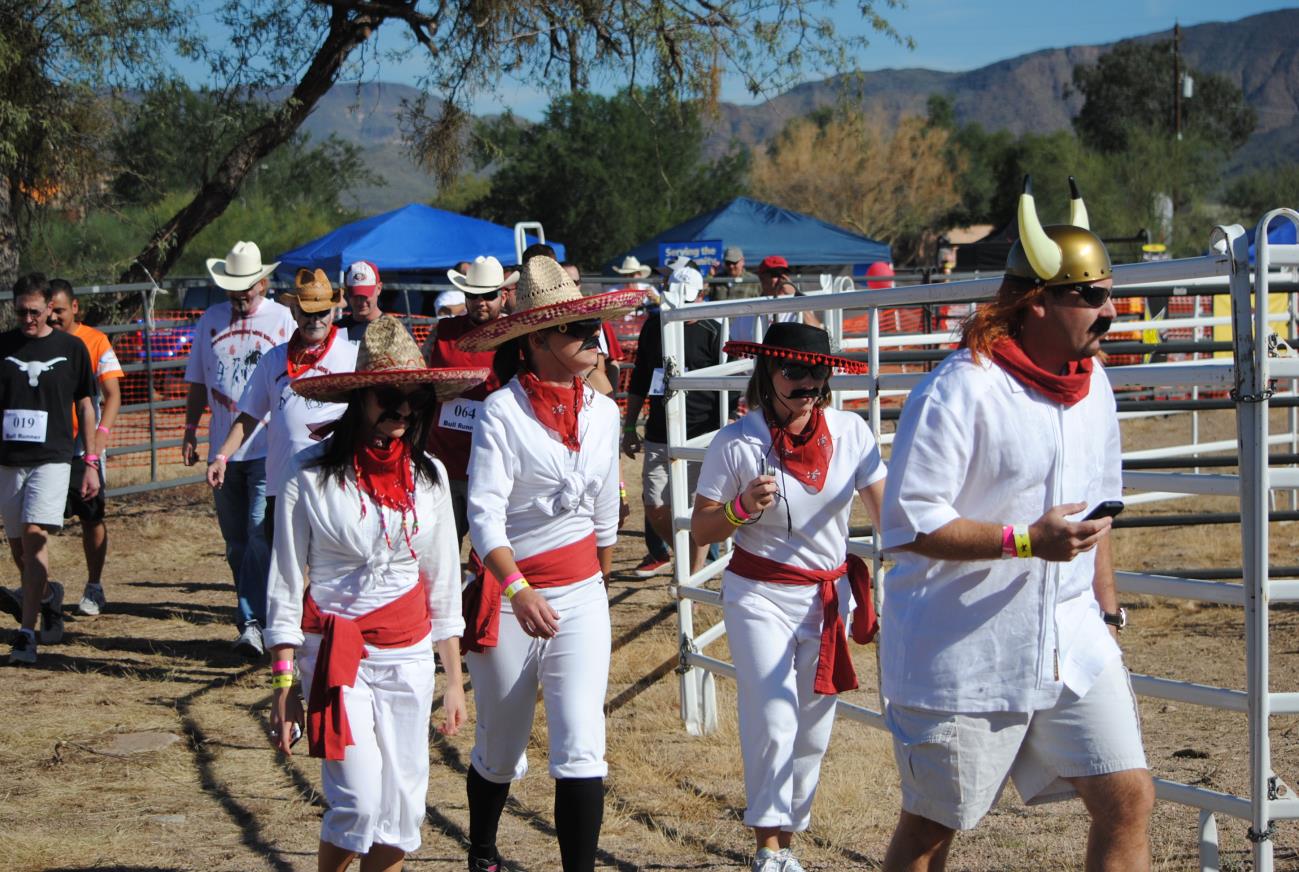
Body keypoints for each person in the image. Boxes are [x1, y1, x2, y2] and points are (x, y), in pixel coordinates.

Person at [878, 178, 1152, 871]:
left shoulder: (1094, 387)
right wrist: (1025, 540)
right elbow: (910, 523)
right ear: (1035, 303)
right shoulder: (960, 388)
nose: (1109, 312)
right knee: (933, 825)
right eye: (1088, 296)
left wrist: (1106, 609)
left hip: (1072, 637)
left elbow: (1101, 509)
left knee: (1127, 797)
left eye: (1108, 293)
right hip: (964, 643)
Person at [263, 316, 483, 872]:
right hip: (339, 658)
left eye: (416, 399)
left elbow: (441, 582)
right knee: (358, 804)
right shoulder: (307, 474)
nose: (404, 412)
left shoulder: (429, 474)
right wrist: (284, 682)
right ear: (360, 397)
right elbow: (286, 581)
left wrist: (454, 680)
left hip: (409, 658)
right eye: (391, 396)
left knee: (402, 812)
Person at [455, 256, 641, 872]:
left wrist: (596, 584)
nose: (593, 338)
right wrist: (517, 590)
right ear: (536, 340)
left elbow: (607, 512)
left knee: (582, 743)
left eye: (594, 326)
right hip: (513, 598)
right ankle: (482, 851)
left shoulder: (605, 414)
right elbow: (483, 519)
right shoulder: (501, 413)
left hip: (582, 595)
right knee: (502, 746)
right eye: (577, 329)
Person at [691, 322, 885, 872]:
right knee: (773, 716)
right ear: (767, 373)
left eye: (815, 371)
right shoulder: (737, 442)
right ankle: (767, 846)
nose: (806, 382)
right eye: (792, 370)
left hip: (828, 597)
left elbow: (889, 513)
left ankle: (789, 837)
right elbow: (703, 532)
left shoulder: (853, 433)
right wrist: (739, 509)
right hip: (759, 594)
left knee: (815, 726)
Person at [182, 241, 296, 658]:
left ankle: (254, 620)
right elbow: (197, 379)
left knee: (259, 534)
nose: (242, 294)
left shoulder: (283, 319)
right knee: (235, 542)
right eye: (234, 287)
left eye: (248, 286)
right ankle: (256, 612)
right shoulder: (210, 321)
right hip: (224, 449)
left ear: (263, 282)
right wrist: (192, 428)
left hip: (269, 448)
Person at [206, 268, 358, 550]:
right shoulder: (274, 360)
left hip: (332, 482)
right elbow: (249, 415)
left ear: (333, 313)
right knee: (286, 563)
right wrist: (221, 457)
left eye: (322, 312)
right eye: (307, 312)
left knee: (328, 564)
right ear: (294, 314)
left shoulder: (351, 356)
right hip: (282, 482)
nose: (315, 320)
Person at [0, 273, 98, 664]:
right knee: (19, 549)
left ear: (49, 309)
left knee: (35, 534)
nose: (28, 319)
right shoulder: (3, 346)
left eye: (36, 312)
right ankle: (47, 596)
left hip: (53, 458)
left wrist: (90, 462)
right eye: (21, 312)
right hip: (9, 460)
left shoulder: (71, 349)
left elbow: (87, 406)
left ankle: (26, 635)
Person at [622, 265, 720, 577]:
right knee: (654, 503)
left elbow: (727, 385)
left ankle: (691, 579)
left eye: (687, 302)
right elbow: (639, 377)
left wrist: (725, 425)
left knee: (700, 505)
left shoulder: (714, 331)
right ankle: (689, 559)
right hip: (659, 431)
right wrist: (629, 425)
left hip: (702, 433)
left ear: (701, 297)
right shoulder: (654, 327)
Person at [424, 255, 517, 547]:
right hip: (443, 461)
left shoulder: (516, 337)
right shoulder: (443, 332)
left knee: (491, 553)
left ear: (502, 295)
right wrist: (436, 391)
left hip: (493, 462)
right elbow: (418, 380)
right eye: (473, 295)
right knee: (441, 550)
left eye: (488, 295)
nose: (481, 302)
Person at [48, 279, 123, 617]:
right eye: (48, 311)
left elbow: (112, 395)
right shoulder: (38, 342)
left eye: (59, 311)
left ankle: (94, 584)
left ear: (74, 308)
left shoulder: (95, 341)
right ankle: (43, 590)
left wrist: (101, 435)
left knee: (91, 516)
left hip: (83, 448)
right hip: (47, 449)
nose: (52, 318)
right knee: (39, 521)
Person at [729, 255, 822, 343]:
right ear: (762, 278)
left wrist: (795, 296)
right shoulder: (748, 311)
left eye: (784, 274)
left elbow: (817, 334)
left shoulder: (799, 305)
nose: (782, 280)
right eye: (776, 274)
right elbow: (733, 345)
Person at [338, 260, 384, 344]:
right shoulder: (336, 331)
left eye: (365, 296)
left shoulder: (395, 331)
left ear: (379, 288)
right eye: (355, 295)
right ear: (347, 291)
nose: (360, 302)